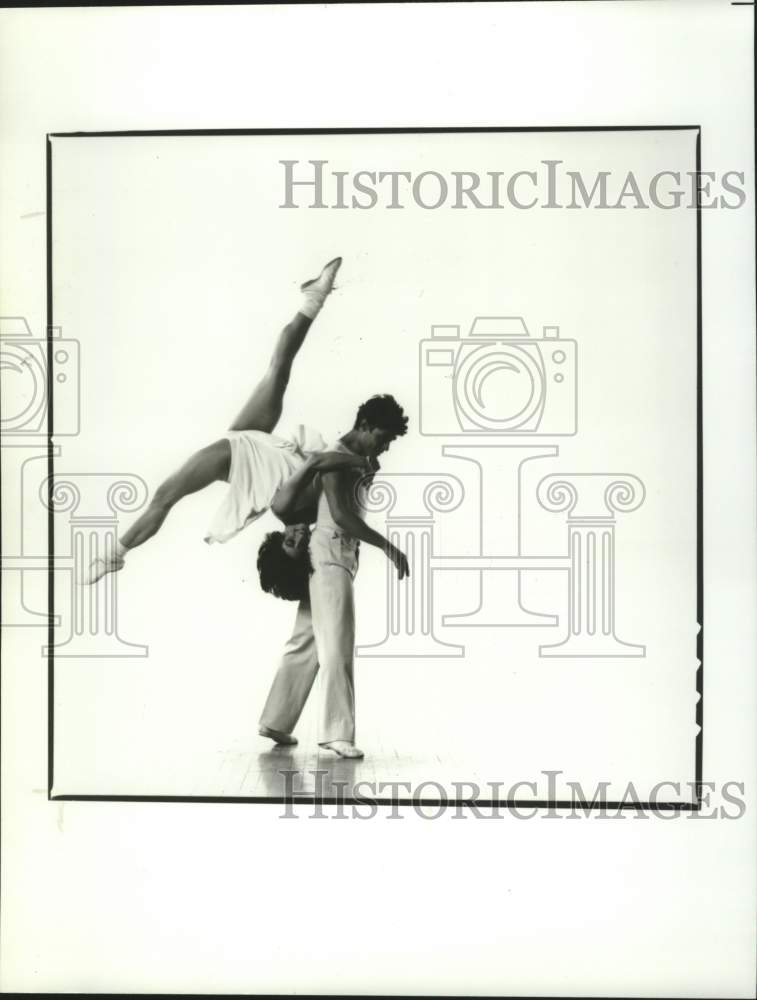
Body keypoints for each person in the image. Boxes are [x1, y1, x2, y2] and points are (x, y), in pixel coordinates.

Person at [82, 256, 367, 585]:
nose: (300, 536)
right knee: (278, 370)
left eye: (290, 541)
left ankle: (114, 555)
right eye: (302, 543)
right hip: (260, 441)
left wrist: (356, 461)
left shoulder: (286, 510)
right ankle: (315, 296)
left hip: (238, 459)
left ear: (279, 539)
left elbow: (324, 464)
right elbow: (335, 471)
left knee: (165, 497)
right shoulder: (317, 511)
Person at [257, 394, 410, 758]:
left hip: (334, 555)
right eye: (383, 438)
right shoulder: (337, 457)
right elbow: (341, 514)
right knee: (337, 644)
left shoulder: (356, 459)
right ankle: (337, 734)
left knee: (307, 639)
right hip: (329, 555)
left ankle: (275, 720)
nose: (385, 447)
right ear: (366, 426)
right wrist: (388, 547)